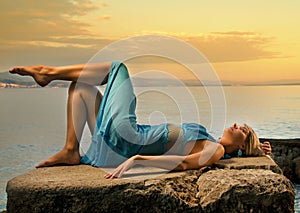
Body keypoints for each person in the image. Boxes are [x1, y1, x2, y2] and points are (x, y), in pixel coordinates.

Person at [9, 62, 272, 179]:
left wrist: (138, 161)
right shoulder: (215, 147)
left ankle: (47, 73)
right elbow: (207, 156)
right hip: (116, 148)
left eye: (244, 130)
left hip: (127, 139)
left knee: (118, 68)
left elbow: (181, 164)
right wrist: (257, 150)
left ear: (240, 146)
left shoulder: (216, 149)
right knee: (81, 87)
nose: (237, 124)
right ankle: (70, 150)